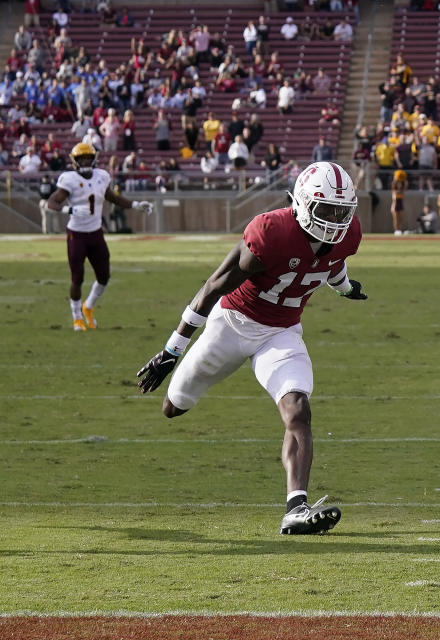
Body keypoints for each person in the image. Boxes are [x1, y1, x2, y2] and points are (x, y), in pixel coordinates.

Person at [136, 161, 365, 535]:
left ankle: (296, 507)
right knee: (173, 406)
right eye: (326, 210)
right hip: (231, 324)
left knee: (299, 411)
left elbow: (332, 265)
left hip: (281, 333)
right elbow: (212, 287)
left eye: (342, 211)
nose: (335, 220)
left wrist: (347, 289)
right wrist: (171, 350)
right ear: (303, 204)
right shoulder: (271, 232)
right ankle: (183, 382)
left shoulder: (348, 234)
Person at [43, 143, 153, 331]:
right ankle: (77, 316)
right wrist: (70, 209)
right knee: (77, 277)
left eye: (88, 158)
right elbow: (51, 203)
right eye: (81, 158)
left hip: (96, 233)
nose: (85, 161)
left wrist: (135, 204)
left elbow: (114, 198)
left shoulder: (102, 176)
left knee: (104, 276)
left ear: (93, 159)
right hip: (76, 234)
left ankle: (88, 307)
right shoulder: (68, 179)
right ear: (74, 161)